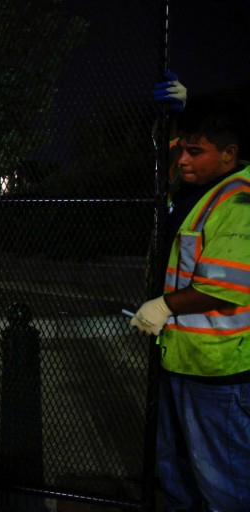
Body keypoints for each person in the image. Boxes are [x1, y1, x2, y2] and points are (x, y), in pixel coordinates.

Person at [130, 91, 250, 510]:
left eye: (195, 152)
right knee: (176, 469)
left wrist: (162, 306)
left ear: (228, 154)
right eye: (182, 149)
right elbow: (166, 148)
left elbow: (224, 286)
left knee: (222, 481)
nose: (182, 160)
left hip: (216, 369)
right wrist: (176, 113)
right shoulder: (196, 188)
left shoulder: (239, 201)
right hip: (181, 358)